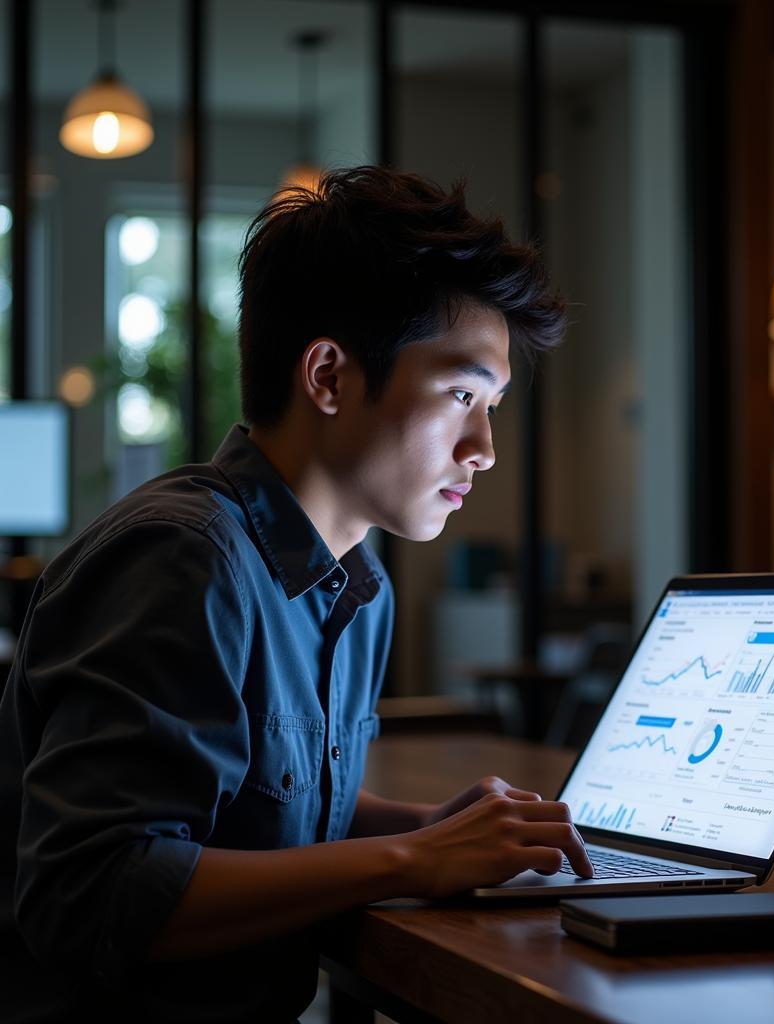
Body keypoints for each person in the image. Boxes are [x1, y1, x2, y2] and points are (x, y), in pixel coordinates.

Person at [0, 166, 593, 1023]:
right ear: (327, 377)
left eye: (491, 404)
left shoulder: (356, 585)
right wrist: (413, 861)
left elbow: (257, 805)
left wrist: (423, 826)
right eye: (462, 394)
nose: (484, 447)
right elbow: (94, 889)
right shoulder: (183, 558)